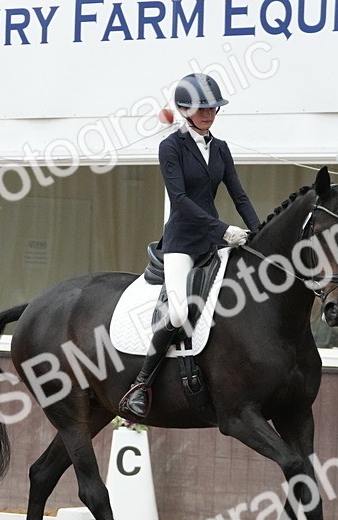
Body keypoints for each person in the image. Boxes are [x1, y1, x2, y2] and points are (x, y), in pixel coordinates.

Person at [118, 73, 263, 419]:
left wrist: (260, 234)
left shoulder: (221, 148)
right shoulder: (171, 147)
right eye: (202, 108)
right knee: (181, 313)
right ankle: (141, 385)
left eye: (213, 108)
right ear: (184, 109)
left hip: (212, 243)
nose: (209, 114)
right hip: (182, 243)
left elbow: (238, 195)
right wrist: (224, 230)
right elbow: (180, 200)